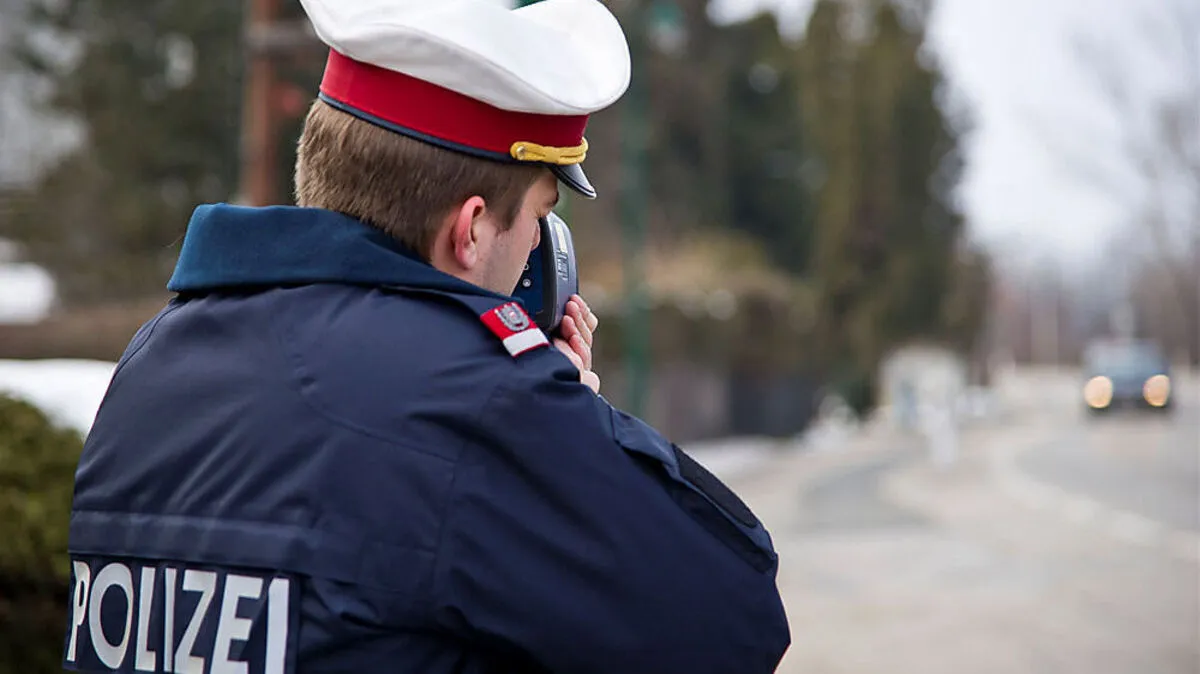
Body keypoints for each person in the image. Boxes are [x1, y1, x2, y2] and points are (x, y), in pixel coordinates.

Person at [62, 0, 790, 672]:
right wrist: (569, 421)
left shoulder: (149, 364)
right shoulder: (479, 407)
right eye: (538, 218)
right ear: (471, 229)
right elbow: (739, 622)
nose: (541, 248)